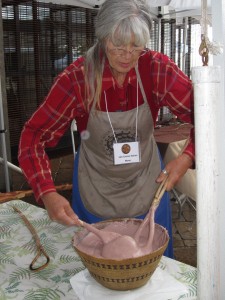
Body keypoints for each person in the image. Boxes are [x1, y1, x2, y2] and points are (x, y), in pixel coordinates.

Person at [18, 0, 195, 258]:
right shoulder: (78, 79)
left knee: (154, 272)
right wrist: (47, 193)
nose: (127, 55)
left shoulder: (156, 69)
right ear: (102, 38)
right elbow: (32, 137)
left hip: (148, 186)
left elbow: (209, 118)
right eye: (118, 45)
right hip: (96, 187)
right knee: (98, 269)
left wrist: (187, 157)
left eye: (136, 46)